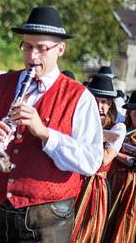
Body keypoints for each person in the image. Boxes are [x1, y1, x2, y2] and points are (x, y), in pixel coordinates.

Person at [0, 6, 103, 243]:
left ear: (60, 49)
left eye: (41, 48)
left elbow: (91, 161)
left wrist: (45, 134)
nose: (32, 56)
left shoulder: (79, 97)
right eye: (27, 46)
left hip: (46, 220)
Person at [70, 74, 125, 243]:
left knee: (85, 233)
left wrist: (89, 136)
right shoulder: (77, 121)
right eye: (95, 100)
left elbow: (104, 159)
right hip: (72, 180)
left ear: (110, 105)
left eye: (104, 102)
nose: (99, 106)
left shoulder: (118, 127)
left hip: (94, 187)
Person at [104, 90, 136, 243]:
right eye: (135, 111)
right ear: (130, 112)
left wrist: (115, 152)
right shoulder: (121, 128)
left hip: (132, 188)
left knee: (125, 221)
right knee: (106, 219)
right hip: (113, 180)